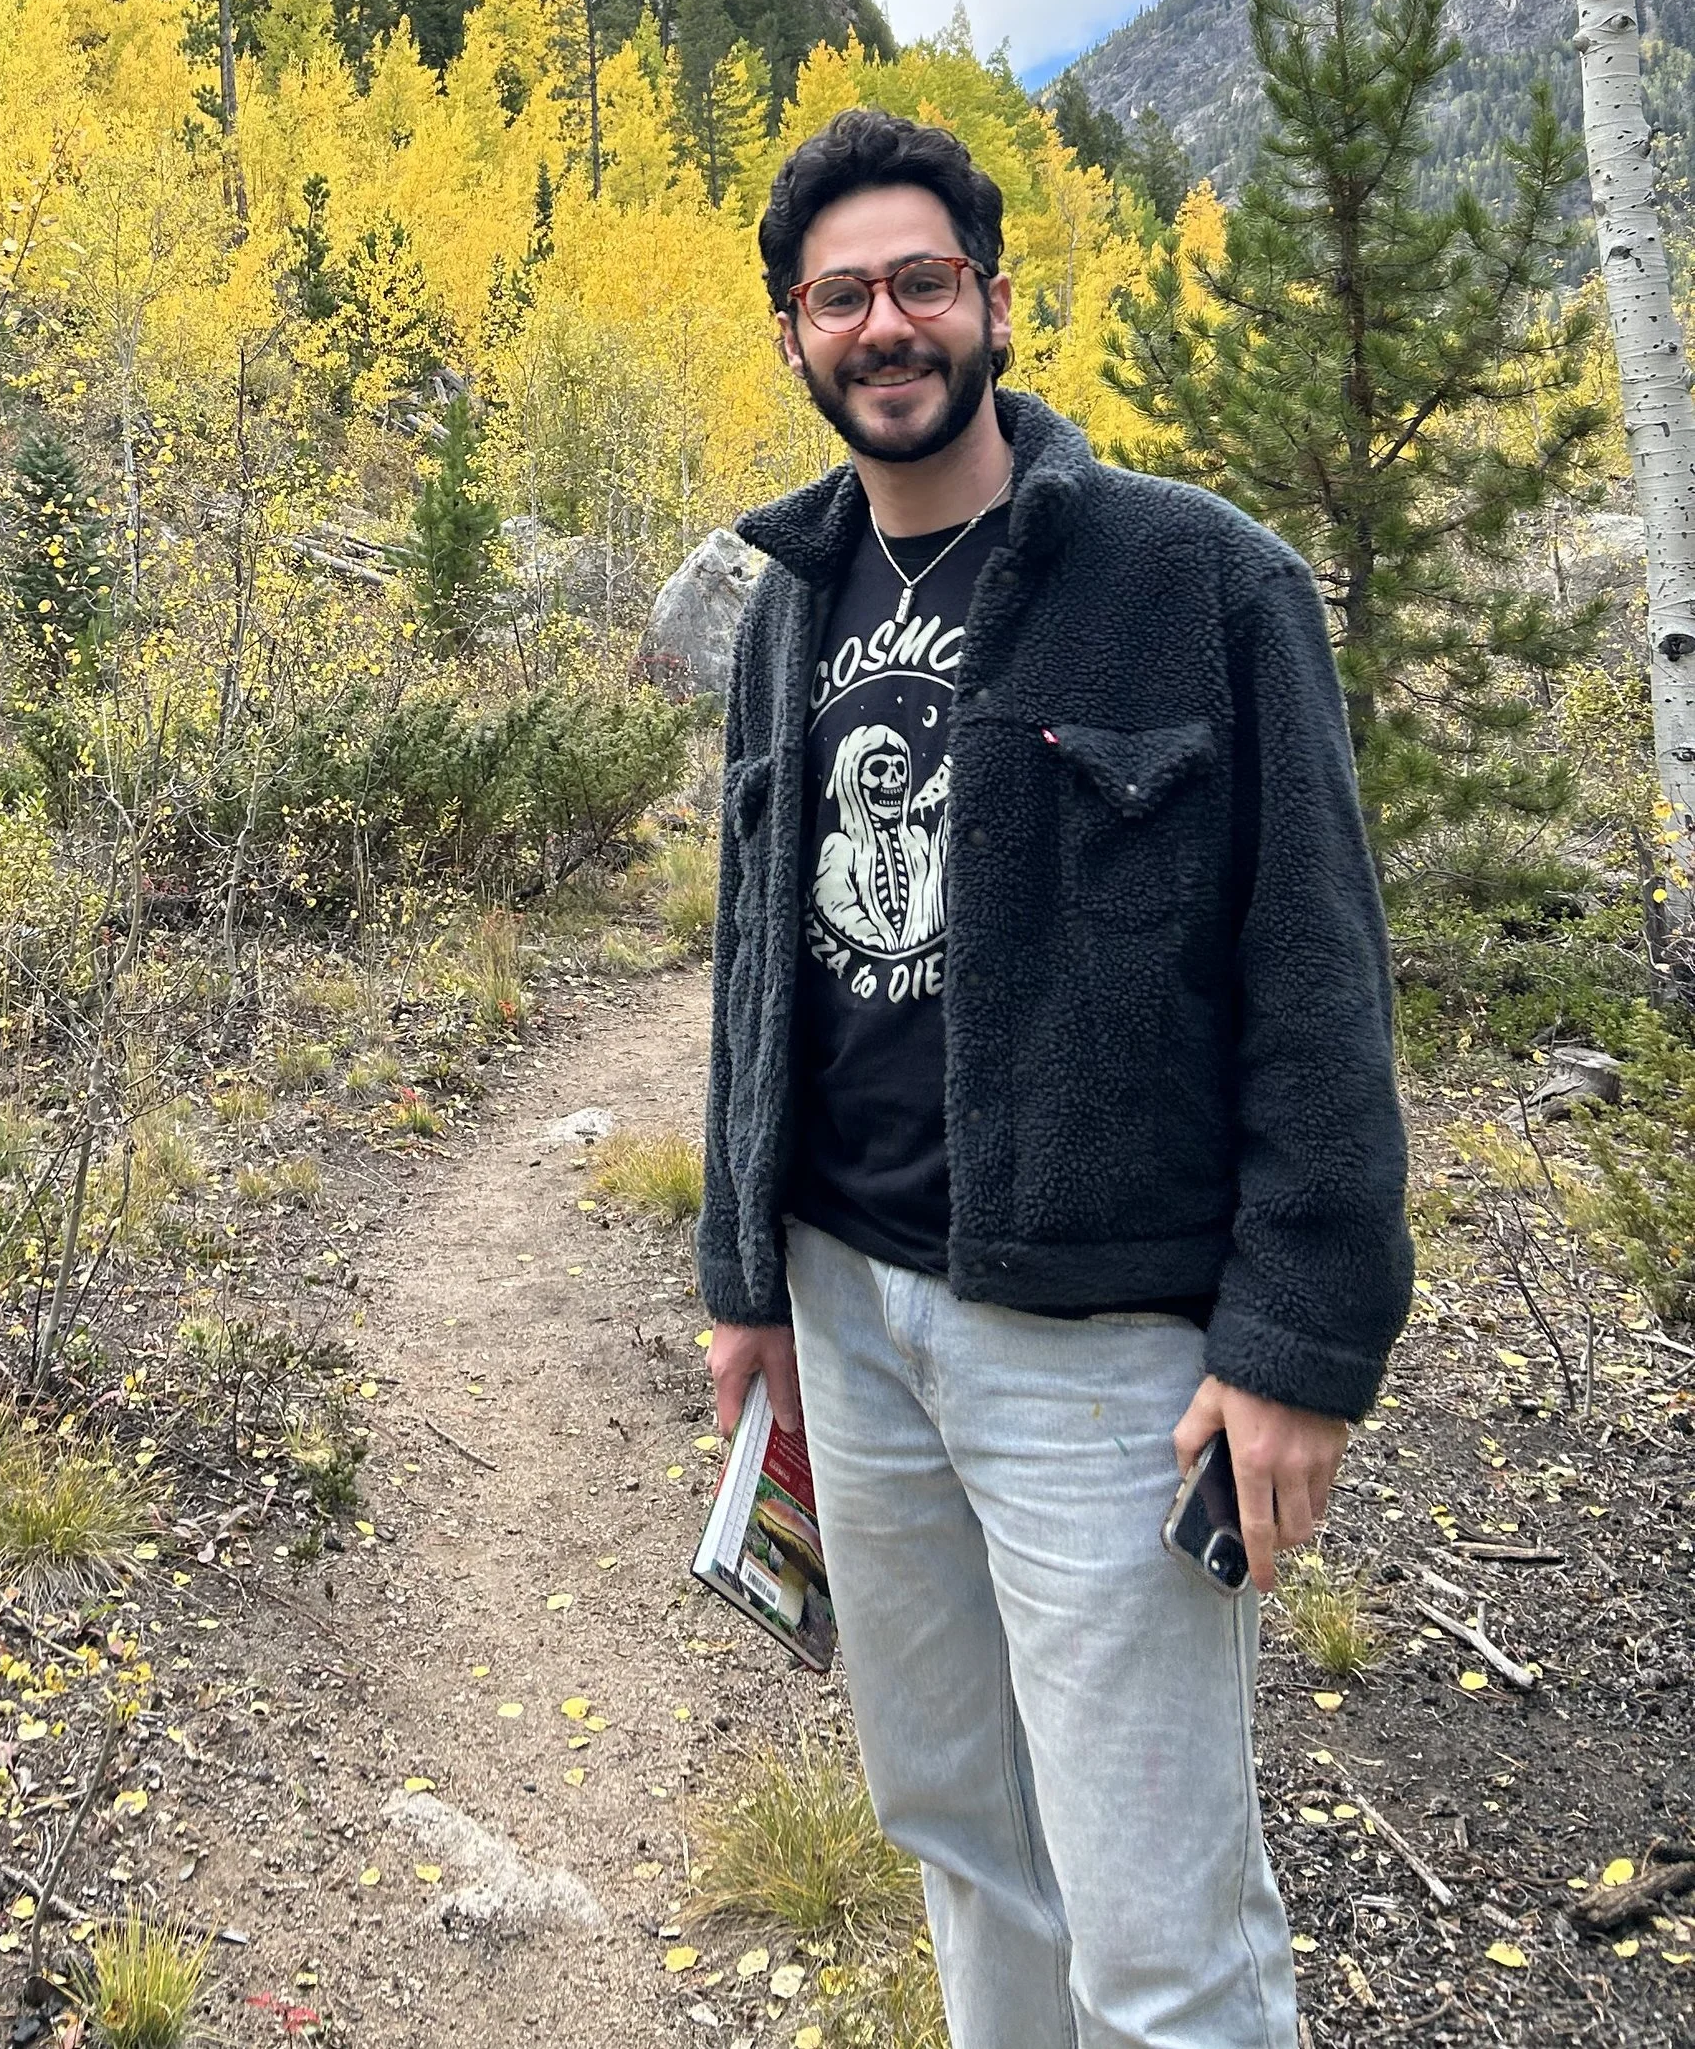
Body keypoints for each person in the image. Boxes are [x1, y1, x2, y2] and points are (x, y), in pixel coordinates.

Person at [699, 106, 1411, 2049]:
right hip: (845, 1308)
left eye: (921, 281)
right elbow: (756, 954)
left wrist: (1297, 1343)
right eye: (839, 295)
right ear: (793, 334)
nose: (884, 324)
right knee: (958, 1828)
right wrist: (744, 1287)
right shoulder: (790, 602)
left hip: (1097, 1352)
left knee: (1162, 1933)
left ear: (996, 304)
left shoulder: (1195, 581)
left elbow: (1316, 975)